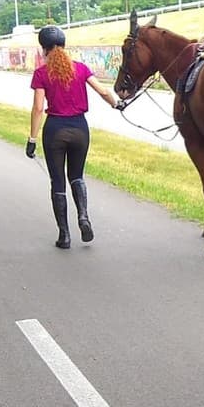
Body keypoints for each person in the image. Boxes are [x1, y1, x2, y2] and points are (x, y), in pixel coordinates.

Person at [26, 26, 124, 248]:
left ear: (44, 48)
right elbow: (102, 91)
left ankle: (64, 235)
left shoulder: (41, 73)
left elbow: (38, 108)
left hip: (55, 131)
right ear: (63, 45)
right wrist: (116, 104)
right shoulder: (80, 68)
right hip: (80, 129)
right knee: (77, 176)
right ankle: (83, 217)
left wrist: (32, 139)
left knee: (57, 181)